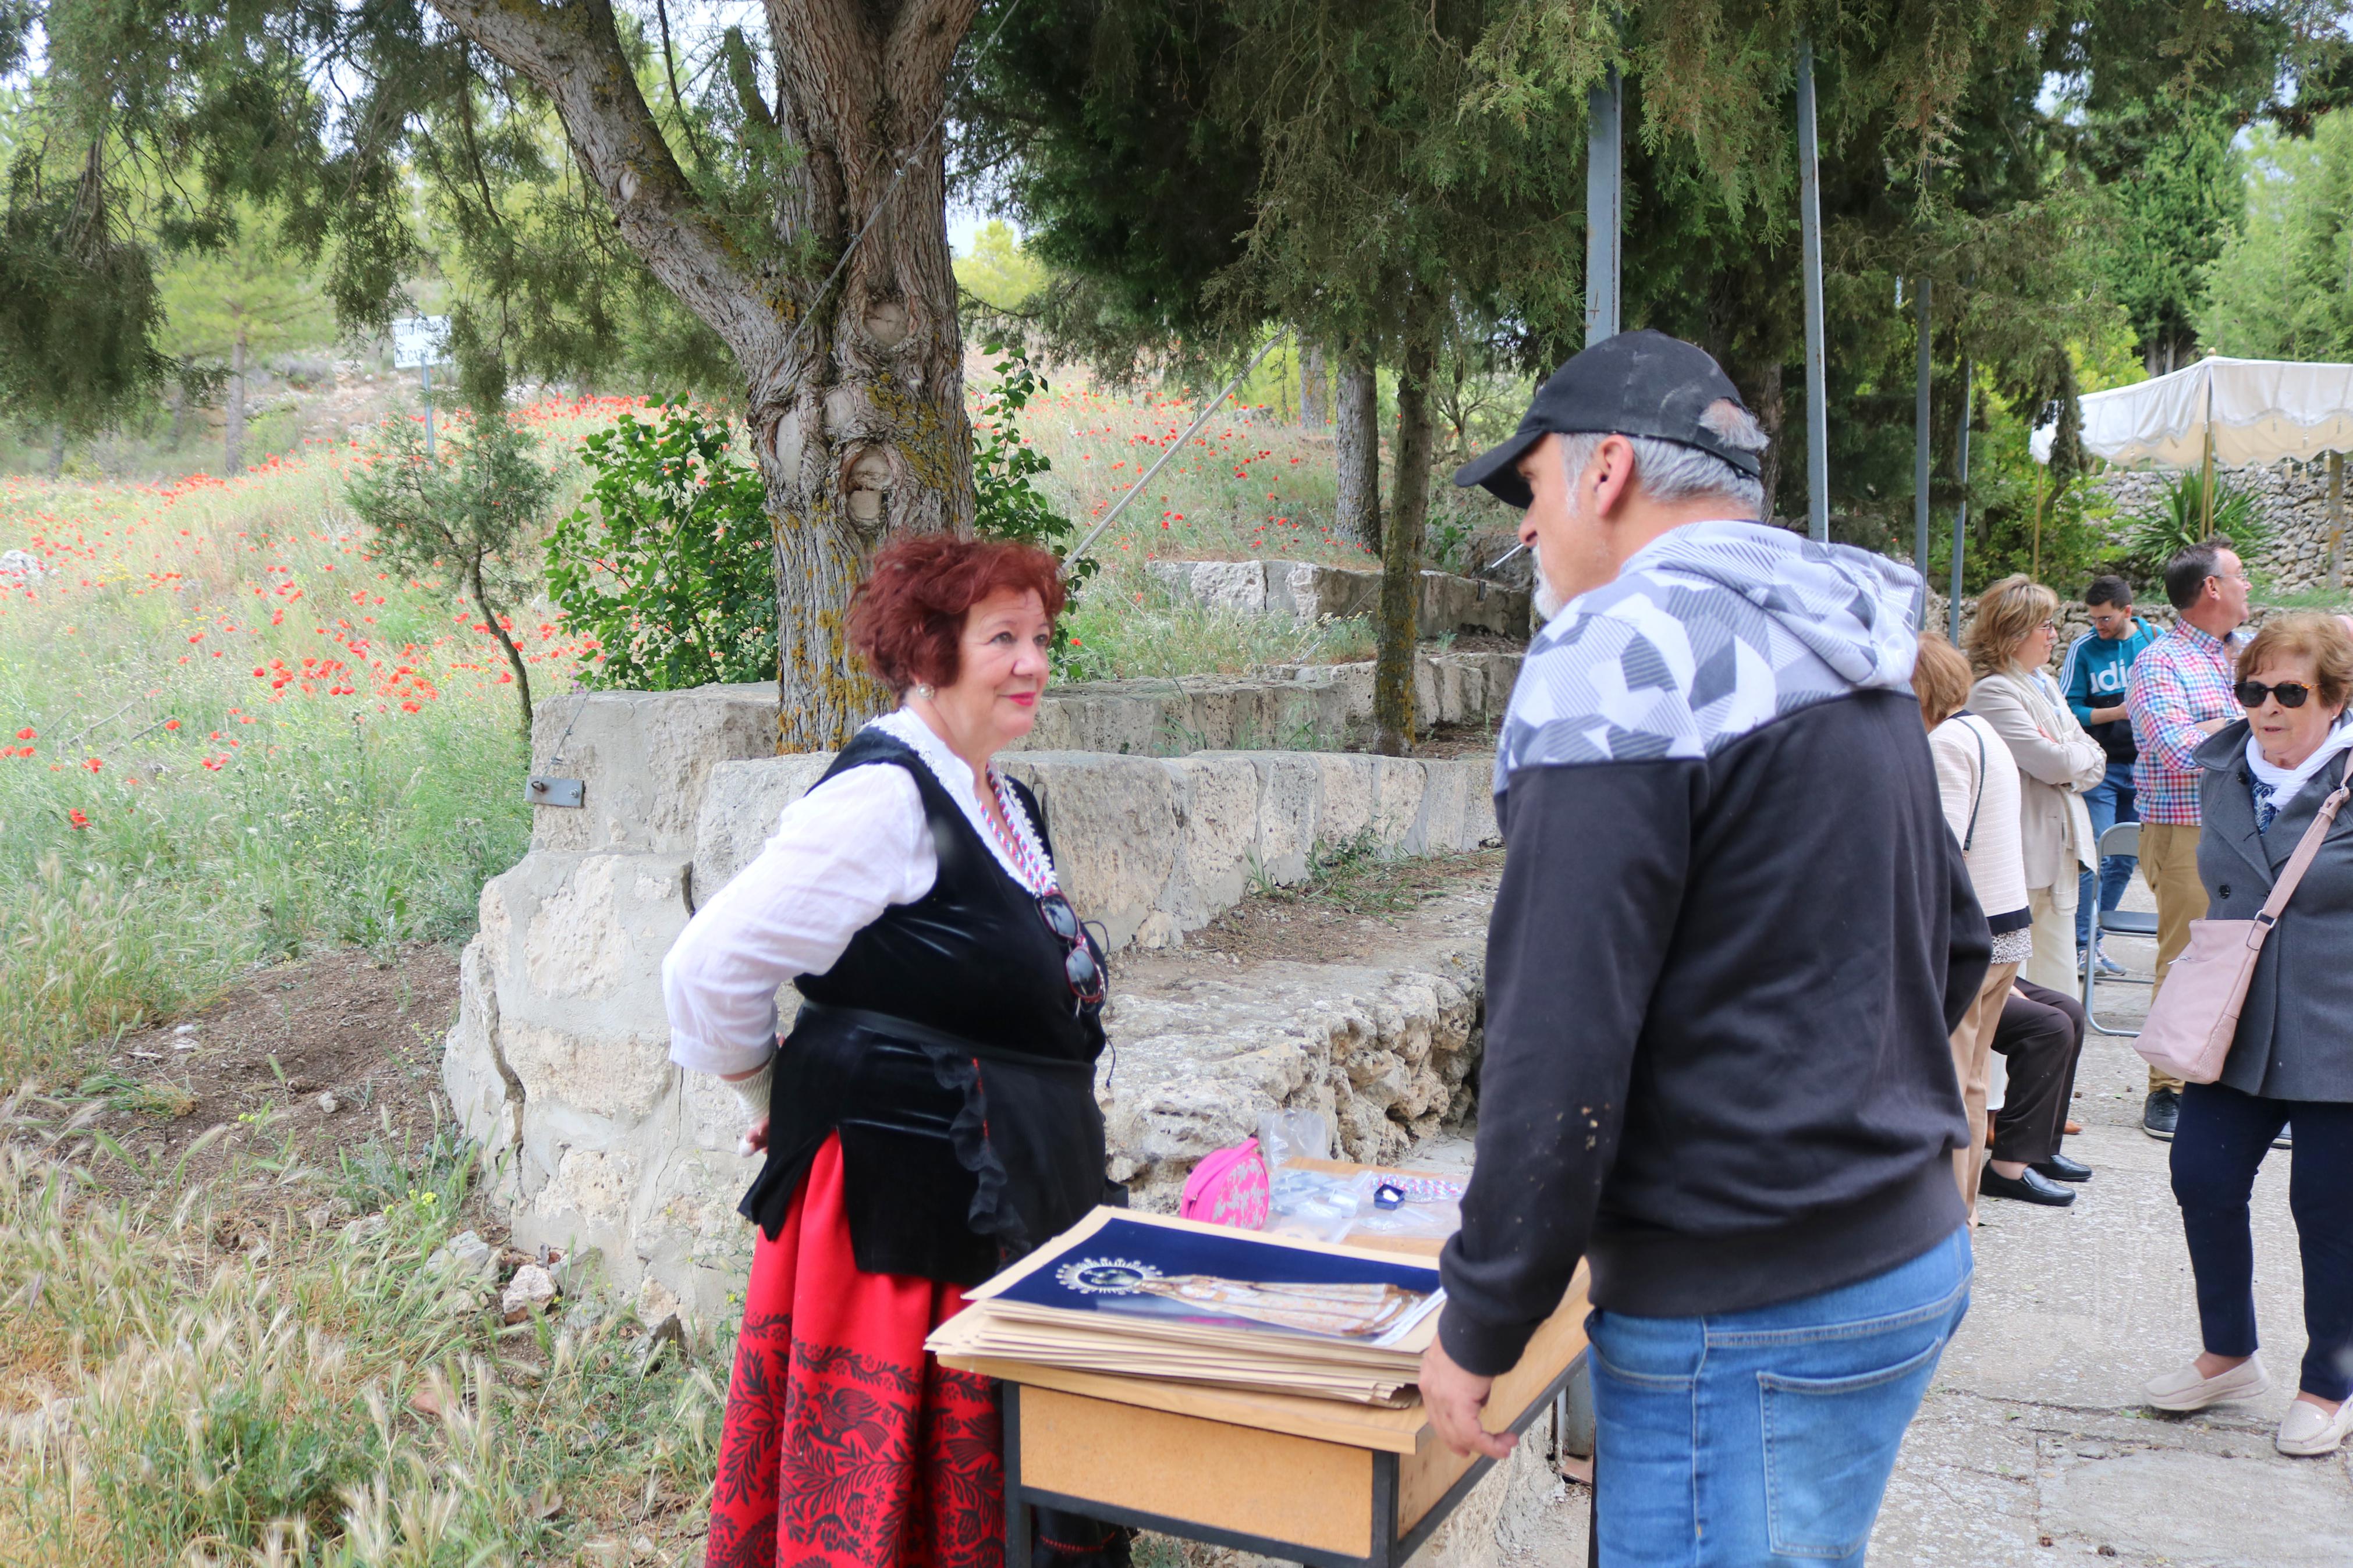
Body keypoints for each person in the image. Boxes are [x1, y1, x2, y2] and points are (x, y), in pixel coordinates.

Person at [1425, 330, 1987, 1567]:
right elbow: (1948, 944)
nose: (1526, 529)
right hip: (1898, 1252)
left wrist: (1481, 1316)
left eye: (1530, 488)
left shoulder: (1623, 652)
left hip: (1743, 1307)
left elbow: (1557, 1036)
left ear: (1606, 469)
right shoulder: (1852, 645)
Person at [661, 535, 1125, 1568]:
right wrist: (768, 1097)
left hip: (1007, 1198)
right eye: (1000, 637)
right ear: (928, 651)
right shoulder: (884, 799)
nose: (1031, 662)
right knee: (906, 1512)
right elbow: (706, 967)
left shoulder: (1000, 799)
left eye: (1041, 637)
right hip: (906, 1222)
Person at [2146, 612, 2353, 1458]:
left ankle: (2328, 1382)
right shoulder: (2223, 767)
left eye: (2288, 691)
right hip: (2233, 1025)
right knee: (2199, 1175)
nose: (2264, 706)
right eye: (2252, 688)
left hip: (2338, 1027)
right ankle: (2228, 1351)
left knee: (2328, 1210)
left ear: (2336, 698)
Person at [2125, 541, 2252, 1139]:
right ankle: (2166, 1089)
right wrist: (2255, 724)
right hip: (2186, 830)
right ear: (2210, 589)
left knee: (2251, 960)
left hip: (2257, 831)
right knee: (2188, 957)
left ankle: (2227, 1084)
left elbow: (2306, 732)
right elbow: (2178, 752)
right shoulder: (2159, 662)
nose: (2248, 585)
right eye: (2239, 575)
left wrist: (2218, 728)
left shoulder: (2253, 654)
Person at [1917, 631, 2043, 1215]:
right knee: (1970, 1082)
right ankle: (1960, 1217)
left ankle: (1943, 1222)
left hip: (1969, 936)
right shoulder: (1982, 732)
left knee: (1947, 1082)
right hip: (2007, 929)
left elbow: (1939, 852)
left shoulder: (1944, 743)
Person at [1966, 576, 2106, 995]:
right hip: (2020, 858)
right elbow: (2055, 761)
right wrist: (2071, 754)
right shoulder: (1992, 690)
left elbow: (2091, 756)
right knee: (2015, 989)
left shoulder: (2042, 681)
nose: (2053, 635)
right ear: (2012, 631)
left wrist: (2071, 754)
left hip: (2058, 854)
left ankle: (2053, 1062)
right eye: (2044, 625)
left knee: (2059, 983)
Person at [2060, 575, 2160, 975]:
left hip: (2144, 769)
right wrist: (2115, 713)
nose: (2097, 625)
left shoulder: (2154, 640)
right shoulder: (2083, 649)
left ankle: (2095, 940)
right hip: (2101, 768)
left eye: (2104, 618)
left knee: (2122, 860)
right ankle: (2080, 946)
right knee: (2096, 856)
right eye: (2093, 618)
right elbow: (2070, 709)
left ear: (2127, 611)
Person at [1984, 977, 2092, 1201]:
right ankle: (2007, 1169)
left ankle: (2039, 1150)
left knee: (2069, 1010)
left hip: (1990, 968)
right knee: (2050, 1026)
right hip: (1947, 971)